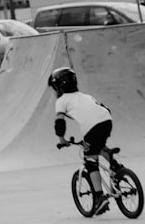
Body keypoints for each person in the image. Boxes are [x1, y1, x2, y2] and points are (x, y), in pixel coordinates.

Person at [49, 66, 119, 216]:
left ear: (59, 86)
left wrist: (62, 140)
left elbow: (59, 123)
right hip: (107, 120)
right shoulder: (85, 96)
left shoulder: (61, 101)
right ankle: (116, 168)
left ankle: (99, 197)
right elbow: (102, 108)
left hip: (93, 127)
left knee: (90, 160)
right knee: (98, 146)